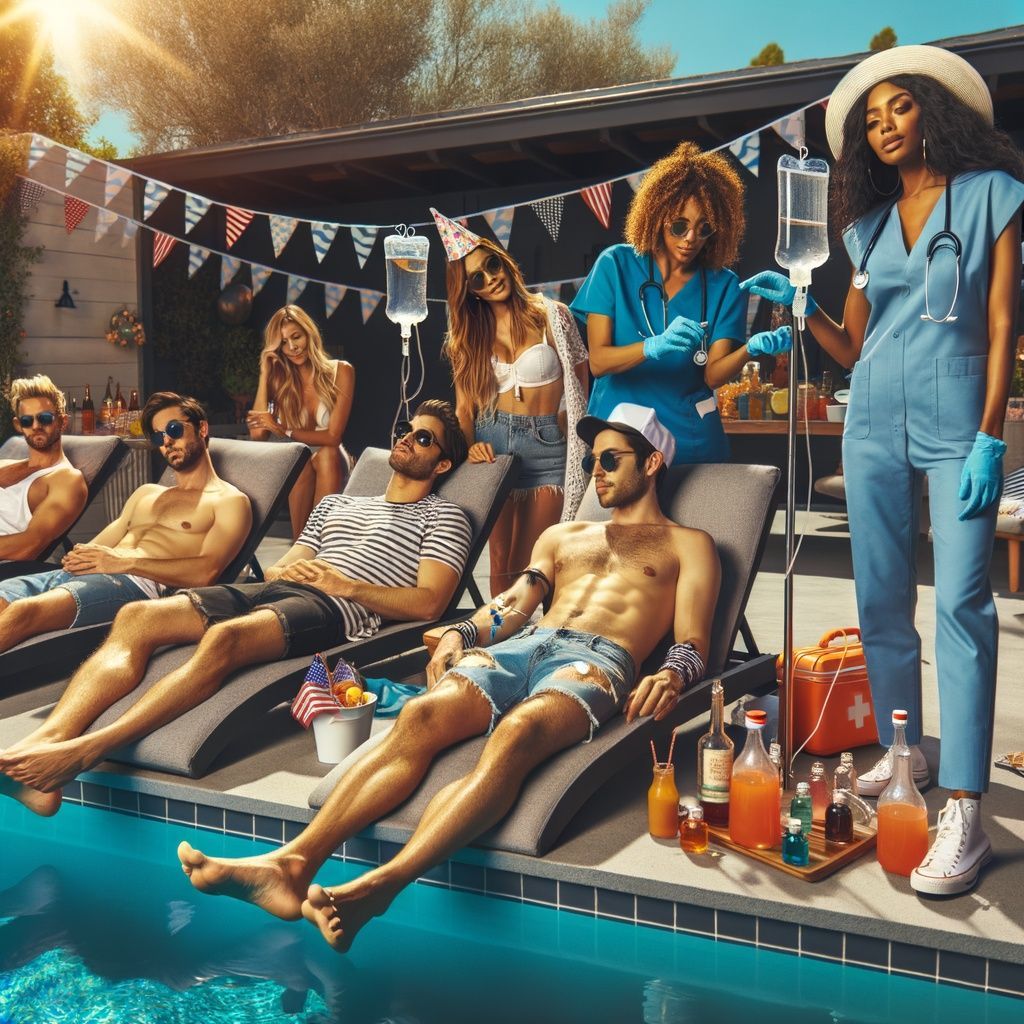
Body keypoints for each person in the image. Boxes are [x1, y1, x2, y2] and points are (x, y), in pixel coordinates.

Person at [172, 403, 719, 954]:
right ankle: (292, 865)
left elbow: (694, 638)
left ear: (651, 464)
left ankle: (380, 887)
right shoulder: (563, 536)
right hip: (524, 644)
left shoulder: (687, 543)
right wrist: (464, 632)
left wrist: (674, 670)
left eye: (610, 459)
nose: (595, 470)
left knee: (518, 734)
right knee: (419, 715)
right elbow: (515, 601)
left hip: (598, 659)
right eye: (592, 458)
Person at [742, 45, 1024, 895]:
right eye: (871, 118)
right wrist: (800, 314)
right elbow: (855, 345)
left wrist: (990, 438)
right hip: (868, 420)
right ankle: (909, 756)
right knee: (879, 601)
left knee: (965, 605)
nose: (885, 126)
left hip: (956, 421)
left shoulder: (993, 198)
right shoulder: (863, 227)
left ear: (933, 110)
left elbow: (1006, 323)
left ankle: (966, 808)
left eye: (898, 107)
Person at [0, 400, 472, 816]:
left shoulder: (445, 515)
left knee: (224, 638)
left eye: (423, 437)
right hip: (280, 589)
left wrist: (342, 583)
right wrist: (286, 572)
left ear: (443, 462)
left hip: (337, 606)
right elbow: (283, 567)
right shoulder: (336, 505)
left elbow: (429, 602)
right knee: (136, 617)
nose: (407, 438)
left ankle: (86, 750)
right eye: (405, 430)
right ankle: (43, 743)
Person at [570, 141, 791, 465]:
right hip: (620, 441)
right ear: (658, 215)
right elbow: (599, 362)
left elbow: (713, 376)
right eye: (679, 226)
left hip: (690, 442)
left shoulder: (723, 285)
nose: (691, 239)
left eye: (704, 228)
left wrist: (749, 350)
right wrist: (652, 347)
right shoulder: (615, 265)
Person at [0, 392, 252, 654]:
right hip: (77, 576)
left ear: (202, 428)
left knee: (22, 612)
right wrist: (81, 558)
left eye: (174, 429)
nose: (166, 441)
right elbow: (94, 548)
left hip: (134, 586)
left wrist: (122, 562)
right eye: (158, 436)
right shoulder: (146, 494)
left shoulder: (229, 501)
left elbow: (206, 572)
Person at [433, 208, 589, 597]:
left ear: (502, 260)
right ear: (470, 290)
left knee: (536, 564)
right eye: (477, 278)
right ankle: (495, 647)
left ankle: (530, 641)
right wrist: (471, 446)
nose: (491, 278)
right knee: (500, 564)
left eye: (491, 264)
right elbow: (465, 410)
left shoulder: (554, 316)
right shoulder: (468, 337)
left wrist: (577, 440)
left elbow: (581, 388)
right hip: (494, 444)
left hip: (548, 446)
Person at [247, 305, 355, 539]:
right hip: (299, 460)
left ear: (309, 334)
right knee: (301, 460)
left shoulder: (341, 371)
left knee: (326, 452)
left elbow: (333, 436)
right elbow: (257, 435)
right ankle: (301, 546)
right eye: (283, 343)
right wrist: (265, 372)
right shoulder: (279, 378)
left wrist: (282, 429)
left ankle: (318, 543)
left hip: (332, 459)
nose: (292, 347)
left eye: (296, 337)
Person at [0, 375, 87, 580]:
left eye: (45, 418)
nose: (36, 425)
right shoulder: (5, 465)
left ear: (62, 421)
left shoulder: (67, 480)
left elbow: (29, 545)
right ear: (18, 425)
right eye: (27, 420)